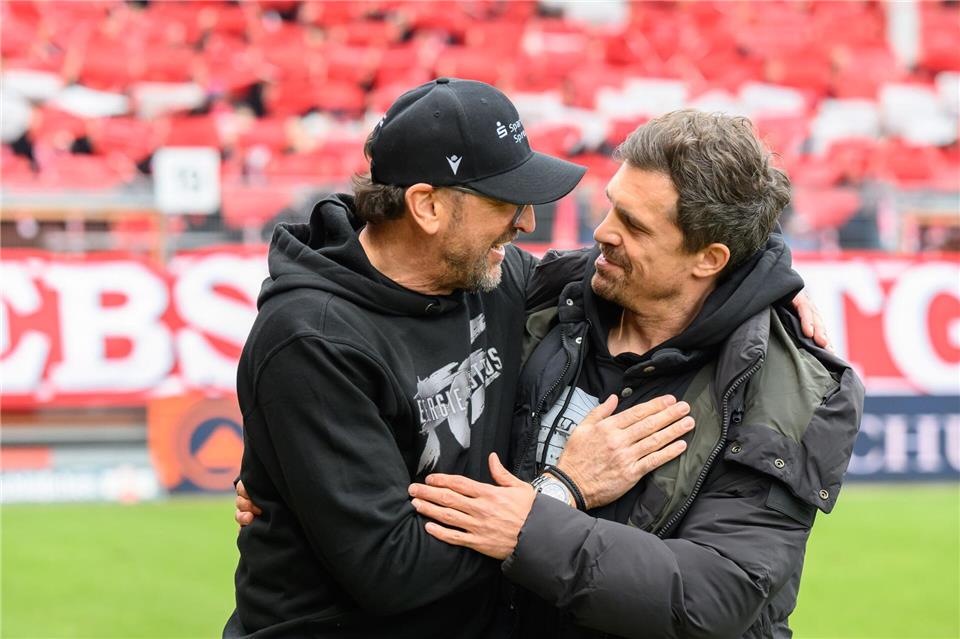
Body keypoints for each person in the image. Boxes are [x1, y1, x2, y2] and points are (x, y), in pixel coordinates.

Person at [224, 78, 701, 639]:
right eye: (505, 200)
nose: (526, 222)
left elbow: (659, 261)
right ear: (426, 205)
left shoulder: (488, 276)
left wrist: (764, 273)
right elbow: (392, 571)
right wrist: (562, 490)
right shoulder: (312, 340)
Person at [405, 110, 864, 638]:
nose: (602, 233)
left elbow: (715, 592)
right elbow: (410, 237)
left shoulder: (786, 386)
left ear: (710, 259)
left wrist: (531, 527)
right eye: (612, 207)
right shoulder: (550, 294)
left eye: (635, 225)